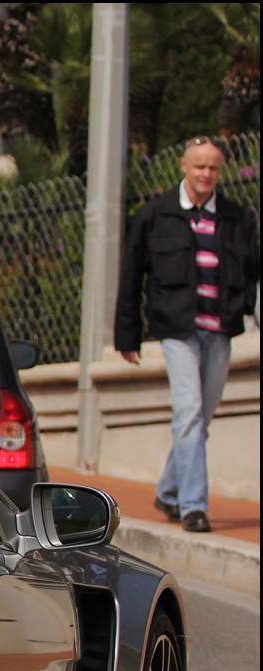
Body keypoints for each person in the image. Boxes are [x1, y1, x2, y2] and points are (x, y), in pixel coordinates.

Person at [114, 136, 260, 533]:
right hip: (177, 331)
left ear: (220, 171)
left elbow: (251, 272)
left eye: (212, 167)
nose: (205, 174)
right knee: (191, 412)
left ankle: (168, 490)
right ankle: (194, 505)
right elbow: (131, 277)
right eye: (199, 167)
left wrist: (244, 307)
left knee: (200, 417)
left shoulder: (235, 217)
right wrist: (126, 335)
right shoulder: (155, 215)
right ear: (183, 166)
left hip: (221, 331)